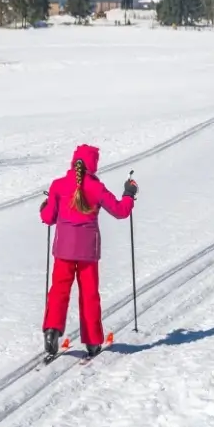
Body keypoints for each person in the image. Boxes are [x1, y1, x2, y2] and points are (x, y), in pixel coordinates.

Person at [39, 146, 136, 359]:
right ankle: (92, 341)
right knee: (89, 294)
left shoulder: (58, 185)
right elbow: (120, 211)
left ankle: (51, 331)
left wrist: (44, 206)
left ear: (73, 162)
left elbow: (48, 217)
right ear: (93, 165)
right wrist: (129, 194)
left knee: (59, 291)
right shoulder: (96, 188)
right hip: (88, 253)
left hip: (63, 250)